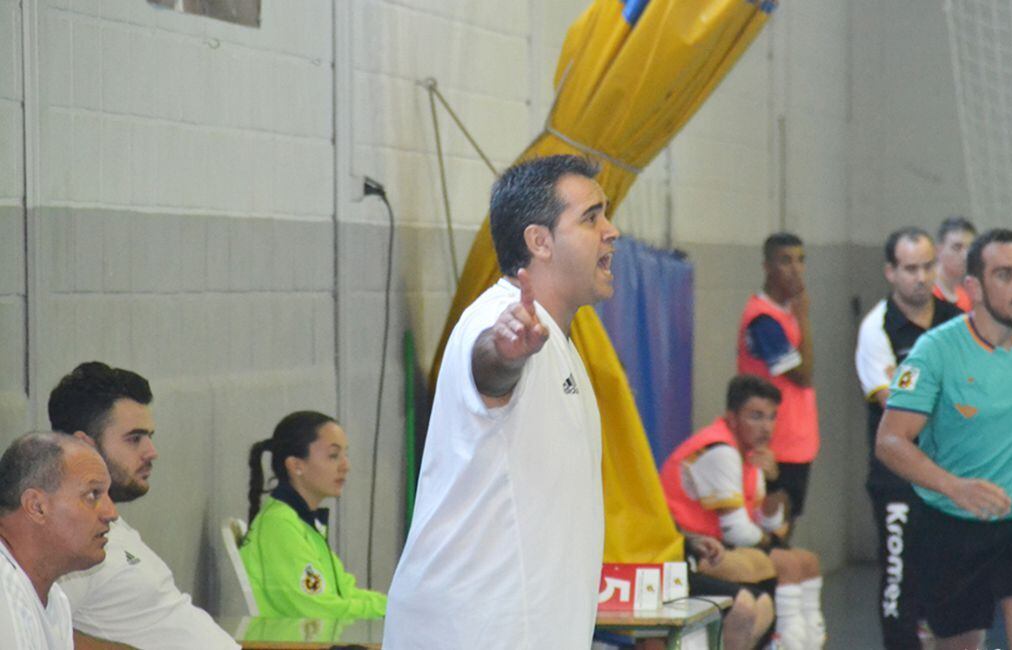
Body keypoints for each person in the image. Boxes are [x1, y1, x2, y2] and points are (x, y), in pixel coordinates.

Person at [384, 155, 617, 648]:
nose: (611, 231)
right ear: (540, 241)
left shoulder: (556, 339)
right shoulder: (498, 321)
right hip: (476, 631)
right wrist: (506, 350)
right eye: (591, 217)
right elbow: (489, 367)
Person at [876, 229, 1012, 650]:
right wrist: (955, 487)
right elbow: (890, 442)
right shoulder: (936, 351)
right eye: (1005, 274)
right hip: (951, 525)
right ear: (974, 287)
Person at [48, 362, 239, 650]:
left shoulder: (111, 526)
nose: (152, 452)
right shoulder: (67, 538)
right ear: (83, 445)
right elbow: (38, 628)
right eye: (134, 439)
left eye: (150, 437)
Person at [661, 375, 826, 650]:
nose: (766, 427)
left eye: (772, 417)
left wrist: (775, 482)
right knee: (789, 563)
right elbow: (738, 530)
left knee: (808, 561)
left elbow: (768, 521)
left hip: (719, 544)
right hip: (690, 548)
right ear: (732, 417)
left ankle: (809, 641)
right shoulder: (720, 451)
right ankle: (788, 642)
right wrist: (771, 540)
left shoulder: (750, 453)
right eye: (756, 416)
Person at [855, 227, 960, 649]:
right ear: (891, 272)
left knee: (950, 577)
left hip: (951, 475)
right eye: (911, 268)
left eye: (927, 266)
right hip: (897, 478)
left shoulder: (957, 322)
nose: (921, 277)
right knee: (900, 576)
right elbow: (891, 403)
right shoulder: (877, 328)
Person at [242, 411, 387, 618]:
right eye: (333, 456)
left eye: (346, 455)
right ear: (296, 465)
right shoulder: (279, 525)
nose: (346, 466)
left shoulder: (302, 522)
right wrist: (396, 612)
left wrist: (402, 607)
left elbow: (344, 592)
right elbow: (319, 608)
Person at [0, 432, 118, 649]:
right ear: (36, 506)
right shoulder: (3, 590)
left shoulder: (55, 599)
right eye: (93, 495)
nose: (111, 513)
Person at [736, 232, 818, 531]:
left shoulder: (786, 313)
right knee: (775, 532)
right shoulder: (764, 320)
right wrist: (805, 318)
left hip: (798, 443)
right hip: (775, 444)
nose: (796, 269)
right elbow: (803, 373)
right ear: (767, 267)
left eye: (800, 260)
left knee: (788, 526)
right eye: (785, 261)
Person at [932, 216, 976, 312]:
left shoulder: (965, 297)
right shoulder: (925, 295)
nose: (966, 255)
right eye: (957, 247)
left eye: (971, 248)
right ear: (938, 251)